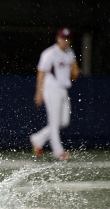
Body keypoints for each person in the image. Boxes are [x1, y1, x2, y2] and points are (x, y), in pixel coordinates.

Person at [30, 28, 80, 160]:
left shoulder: (70, 52)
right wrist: (39, 92)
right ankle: (58, 152)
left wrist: (75, 73)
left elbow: (73, 73)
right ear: (58, 38)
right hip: (51, 88)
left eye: (67, 38)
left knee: (64, 121)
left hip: (63, 88)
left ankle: (38, 139)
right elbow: (41, 72)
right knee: (54, 120)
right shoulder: (49, 53)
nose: (65, 41)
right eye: (63, 38)